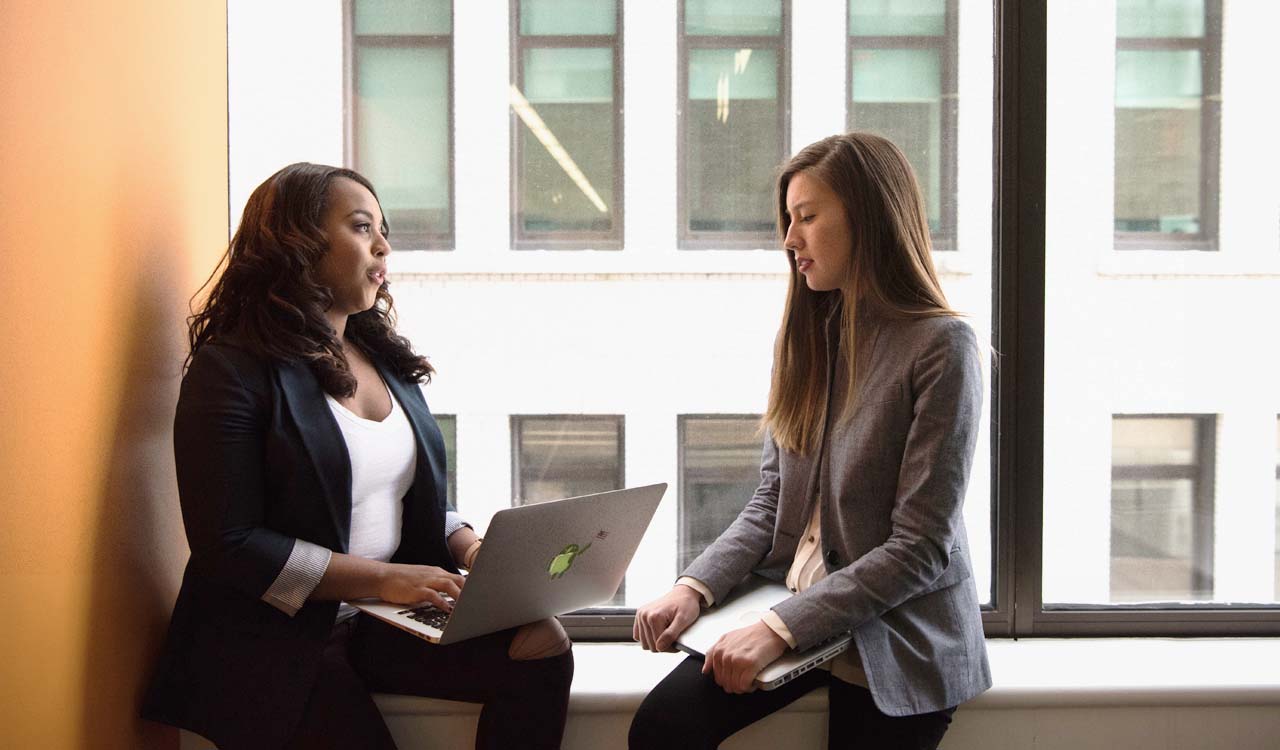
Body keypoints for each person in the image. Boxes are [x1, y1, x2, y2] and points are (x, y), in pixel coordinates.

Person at [142, 163, 573, 750]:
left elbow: (398, 496)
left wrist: (473, 548)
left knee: (542, 649)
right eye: (362, 226)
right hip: (273, 637)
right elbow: (229, 543)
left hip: (374, 618)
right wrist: (385, 579)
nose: (383, 245)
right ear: (296, 243)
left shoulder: (382, 359)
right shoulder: (232, 370)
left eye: (383, 229)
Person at [630, 132, 991, 749]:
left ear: (870, 219)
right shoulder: (805, 336)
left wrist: (779, 628)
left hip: (898, 631)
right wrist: (694, 587)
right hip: (796, 604)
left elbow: (921, 548)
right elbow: (773, 502)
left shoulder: (942, 348)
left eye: (808, 218)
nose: (789, 239)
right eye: (787, 220)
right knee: (662, 728)